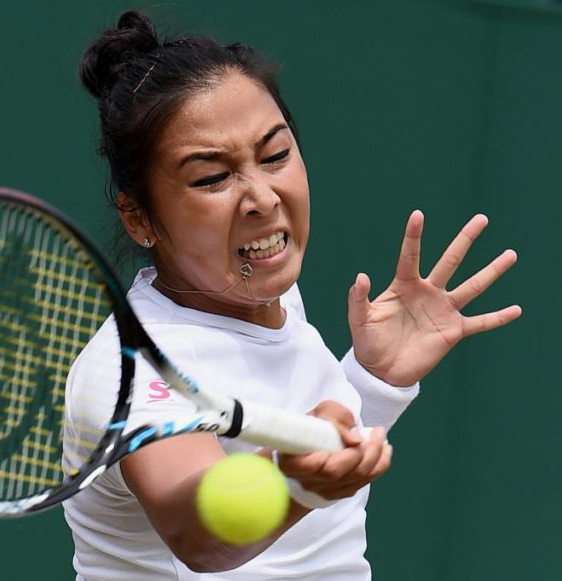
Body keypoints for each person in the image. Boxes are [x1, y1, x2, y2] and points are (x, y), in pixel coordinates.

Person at [62, 10, 521, 580]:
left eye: (275, 155)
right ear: (139, 218)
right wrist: (291, 481)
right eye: (212, 177)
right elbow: (198, 534)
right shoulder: (131, 369)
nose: (262, 197)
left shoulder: (269, 303)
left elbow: (312, 510)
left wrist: (373, 384)